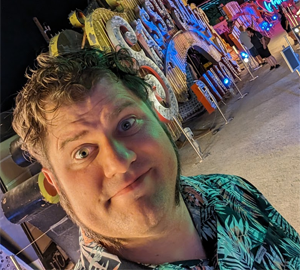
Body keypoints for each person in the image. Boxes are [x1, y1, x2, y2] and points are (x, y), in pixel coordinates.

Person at [12, 48, 300, 269]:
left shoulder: (233, 191)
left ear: (160, 121)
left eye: (126, 124)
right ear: (55, 184)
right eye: (82, 152)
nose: (119, 161)